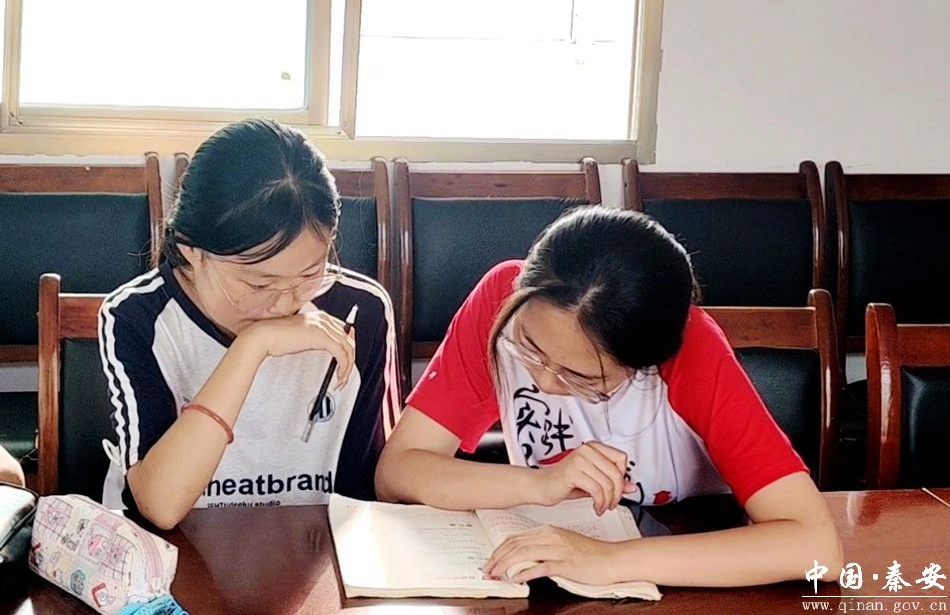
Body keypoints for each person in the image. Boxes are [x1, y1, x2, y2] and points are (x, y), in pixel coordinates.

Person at [376, 205, 842, 587]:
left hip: (688, 556)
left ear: (645, 362)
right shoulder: (504, 298)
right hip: (559, 567)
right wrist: (539, 485)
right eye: (530, 347)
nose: (544, 382)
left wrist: (607, 559)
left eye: (582, 379)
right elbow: (397, 471)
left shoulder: (693, 346)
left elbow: (816, 547)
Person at [99, 119, 397, 529]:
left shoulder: (361, 309)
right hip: (180, 554)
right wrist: (252, 347)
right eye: (259, 283)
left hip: (316, 550)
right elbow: (160, 506)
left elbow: (366, 492)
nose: (287, 302)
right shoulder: (138, 316)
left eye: (310, 272)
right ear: (193, 251)